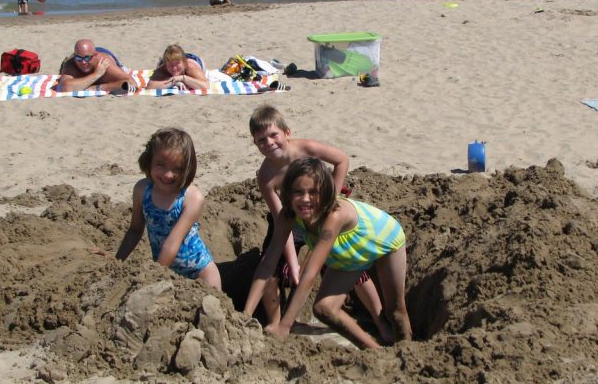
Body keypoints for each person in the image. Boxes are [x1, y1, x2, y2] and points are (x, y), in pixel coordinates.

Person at [243, 106, 391, 341]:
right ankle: (275, 322)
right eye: (261, 140)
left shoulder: (306, 149)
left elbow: (341, 159)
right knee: (269, 266)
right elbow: (281, 218)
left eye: (274, 135)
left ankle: (380, 321)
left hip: (321, 210)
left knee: (350, 264)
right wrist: (293, 263)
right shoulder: (266, 176)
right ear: (255, 143)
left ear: (287, 133)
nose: (269, 143)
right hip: (292, 216)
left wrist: (331, 197)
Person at [252, 157, 412, 349]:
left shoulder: (334, 216)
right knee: (324, 309)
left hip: (384, 240)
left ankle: (407, 352)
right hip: (349, 251)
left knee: (395, 311)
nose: (305, 199)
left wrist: (285, 325)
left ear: (326, 192)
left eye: (313, 192)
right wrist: (245, 313)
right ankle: (374, 351)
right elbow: (268, 262)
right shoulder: (288, 215)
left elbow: (311, 273)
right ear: (287, 193)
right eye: (298, 192)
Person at [114, 128, 222, 289]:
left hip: (200, 275)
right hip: (166, 272)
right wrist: (117, 264)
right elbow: (135, 230)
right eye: (161, 165)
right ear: (149, 161)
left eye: (177, 169)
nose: (168, 174)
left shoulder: (191, 197)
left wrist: (154, 275)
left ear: (187, 168)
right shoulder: (142, 190)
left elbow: (173, 243)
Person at [55, 38, 134, 92]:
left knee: (123, 70)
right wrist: (96, 75)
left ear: (95, 55)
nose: (83, 62)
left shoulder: (105, 63)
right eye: (79, 58)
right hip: (83, 52)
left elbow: (131, 83)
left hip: (104, 53)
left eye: (87, 58)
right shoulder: (71, 63)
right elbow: (65, 87)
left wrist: (99, 87)